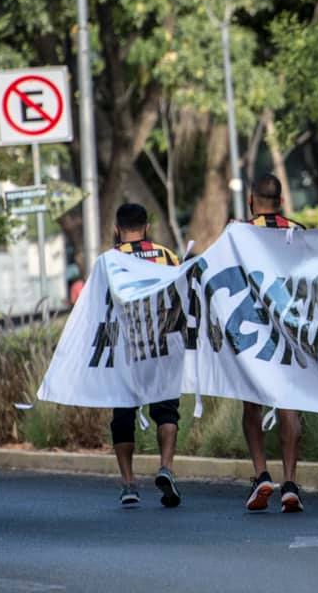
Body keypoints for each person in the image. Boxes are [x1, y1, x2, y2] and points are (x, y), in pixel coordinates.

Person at [241, 174, 307, 513]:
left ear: (252, 200)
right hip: (288, 330)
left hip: (250, 331)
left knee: (251, 405)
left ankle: (261, 473)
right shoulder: (297, 231)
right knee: (288, 402)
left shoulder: (238, 233)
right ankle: (291, 481)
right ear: (280, 201)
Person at [111, 203, 183, 508]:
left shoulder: (110, 260)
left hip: (126, 350)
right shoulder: (166, 255)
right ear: (147, 227)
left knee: (123, 415)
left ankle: (129, 484)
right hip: (161, 345)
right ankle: (165, 467)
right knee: (166, 409)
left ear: (117, 229)